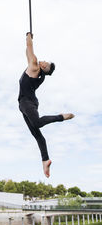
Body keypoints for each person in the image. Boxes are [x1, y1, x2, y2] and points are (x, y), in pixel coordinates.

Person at [18, 33, 74, 178]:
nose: (44, 61)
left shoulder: (35, 66)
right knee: (37, 135)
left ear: (43, 67)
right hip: (27, 103)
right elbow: (27, 51)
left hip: (27, 102)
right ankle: (45, 160)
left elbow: (29, 48)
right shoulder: (35, 69)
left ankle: (61, 117)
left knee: (36, 124)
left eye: (46, 63)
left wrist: (28, 36)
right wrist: (29, 41)